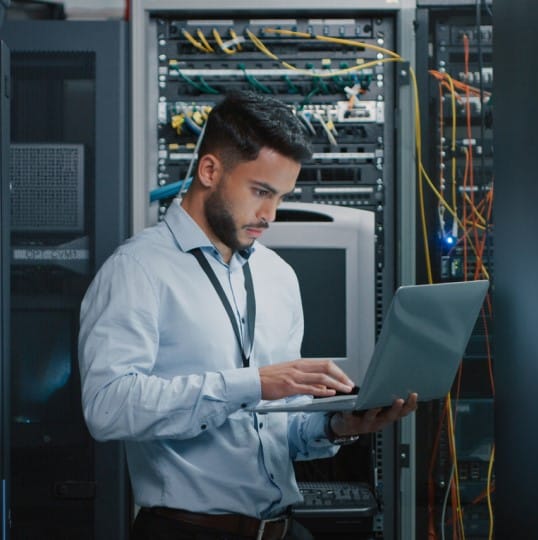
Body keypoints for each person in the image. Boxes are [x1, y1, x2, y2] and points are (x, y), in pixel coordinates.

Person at [78, 90, 417, 540]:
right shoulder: (136, 270)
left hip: (279, 528)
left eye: (280, 196)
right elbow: (107, 407)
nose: (270, 215)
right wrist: (252, 383)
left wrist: (337, 425)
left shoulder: (278, 276)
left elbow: (281, 426)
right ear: (210, 170)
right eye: (260, 192)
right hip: (186, 532)